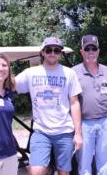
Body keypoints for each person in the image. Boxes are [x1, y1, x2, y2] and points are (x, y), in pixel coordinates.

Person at [15, 37, 83, 175]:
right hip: (41, 132)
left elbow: (75, 103)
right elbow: (8, 85)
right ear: (42, 52)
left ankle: (54, 169)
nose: (53, 53)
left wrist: (78, 134)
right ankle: (50, 169)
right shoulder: (31, 73)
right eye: (49, 50)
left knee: (64, 171)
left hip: (64, 131)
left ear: (60, 53)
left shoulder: (69, 73)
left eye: (57, 50)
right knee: (36, 171)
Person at [72, 35, 107, 175]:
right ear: (82, 51)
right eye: (87, 49)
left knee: (105, 161)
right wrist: (76, 130)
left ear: (98, 51)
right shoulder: (73, 73)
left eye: (94, 48)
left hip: (105, 121)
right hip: (84, 124)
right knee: (84, 163)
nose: (91, 52)